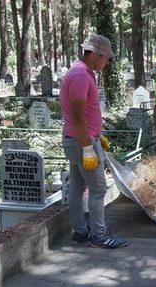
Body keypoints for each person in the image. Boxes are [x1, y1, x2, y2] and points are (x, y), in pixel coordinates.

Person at [60, 34, 128, 248]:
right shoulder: (80, 75)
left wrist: (98, 134)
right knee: (98, 190)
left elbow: (84, 115)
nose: (107, 62)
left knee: (77, 187)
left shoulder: (83, 72)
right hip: (82, 141)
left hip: (79, 138)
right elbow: (78, 115)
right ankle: (99, 235)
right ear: (96, 55)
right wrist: (88, 146)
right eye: (107, 58)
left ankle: (81, 231)